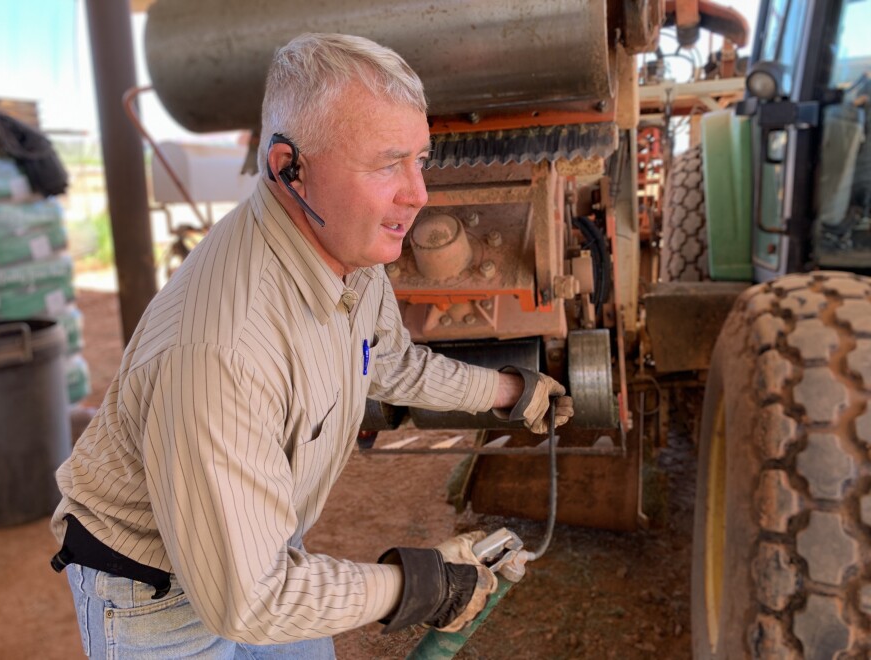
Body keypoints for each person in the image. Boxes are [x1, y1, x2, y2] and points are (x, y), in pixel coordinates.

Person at [50, 33, 574, 658]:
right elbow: (250, 599)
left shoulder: (347, 251)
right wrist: (422, 585)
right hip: (157, 595)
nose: (418, 194)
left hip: (265, 559)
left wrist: (512, 391)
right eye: (386, 164)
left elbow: (387, 359)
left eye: (420, 160)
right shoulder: (226, 347)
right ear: (287, 168)